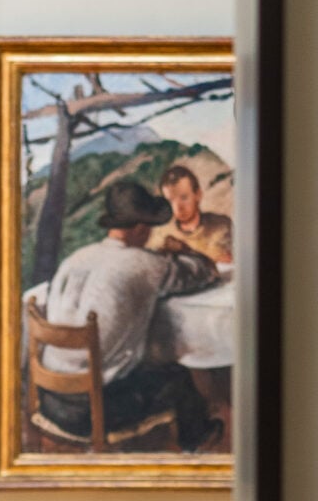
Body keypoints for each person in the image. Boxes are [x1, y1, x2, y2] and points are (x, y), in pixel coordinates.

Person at [27, 176, 219, 450]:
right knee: (178, 376)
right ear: (140, 228)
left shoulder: (76, 259)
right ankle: (197, 440)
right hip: (90, 411)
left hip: (49, 399)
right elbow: (204, 272)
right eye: (149, 226)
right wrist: (184, 251)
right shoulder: (144, 263)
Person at [149, 161, 233, 265]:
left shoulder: (223, 227)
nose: (178, 207)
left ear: (198, 195)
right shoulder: (161, 235)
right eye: (171, 201)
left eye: (184, 198)